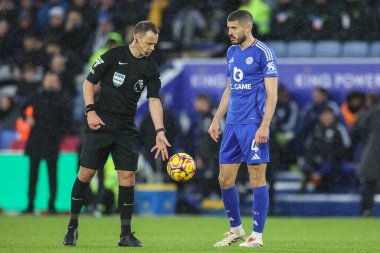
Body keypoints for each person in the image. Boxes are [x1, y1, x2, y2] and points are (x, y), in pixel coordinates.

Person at [63, 21, 171, 247]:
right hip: (100, 124)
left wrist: (160, 131)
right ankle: (72, 228)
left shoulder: (151, 67)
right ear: (136, 37)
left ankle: (125, 234)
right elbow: (88, 83)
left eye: (155, 44)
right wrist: (90, 111)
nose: (152, 48)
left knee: (127, 177)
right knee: (85, 175)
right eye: (149, 43)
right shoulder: (113, 55)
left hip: (125, 128)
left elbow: (154, 101)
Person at [208, 10, 278, 248]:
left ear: (247, 28)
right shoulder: (230, 52)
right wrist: (216, 119)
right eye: (228, 28)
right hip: (233, 126)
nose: (229, 32)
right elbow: (230, 89)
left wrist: (264, 125)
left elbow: (272, 94)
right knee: (225, 179)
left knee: (256, 177)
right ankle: (236, 229)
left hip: (253, 125)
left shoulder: (264, 53)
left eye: (234, 28)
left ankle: (256, 236)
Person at [23, 71, 71, 214]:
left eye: (53, 80)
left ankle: (51, 205)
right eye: (48, 79)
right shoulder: (36, 96)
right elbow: (21, 109)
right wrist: (27, 118)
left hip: (51, 141)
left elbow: (67, 121)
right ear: (43, 81)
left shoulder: (62, 99)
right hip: (36, 140)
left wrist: (58, 136)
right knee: (33, 175)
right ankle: (30, 205)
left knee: (52, 175)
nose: (50, 82)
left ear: (57, 82)